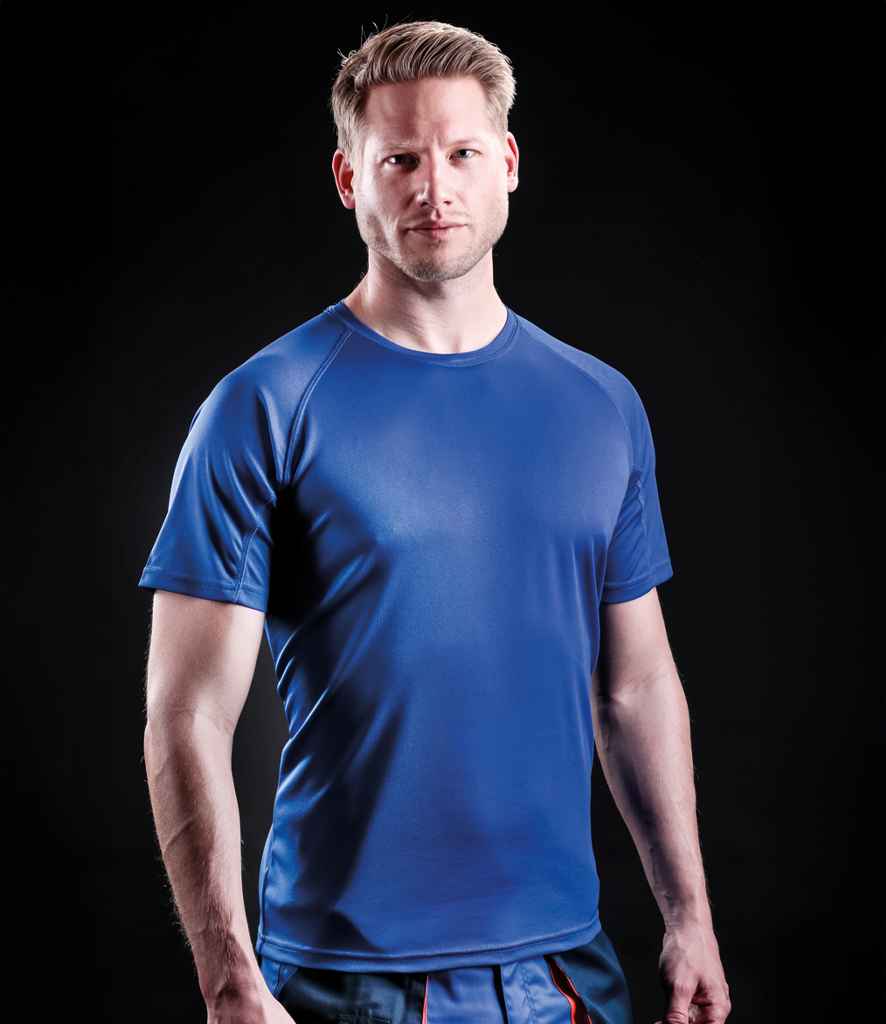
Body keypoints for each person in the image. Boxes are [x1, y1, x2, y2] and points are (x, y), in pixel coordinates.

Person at [138, 19, 731, 1024]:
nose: (433, 188)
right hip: (344, 977)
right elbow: (186, 713)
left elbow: (635, 687)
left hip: (566, 971)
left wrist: (690, 916)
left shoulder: (599, 404)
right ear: (348, 179)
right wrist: (228, 977)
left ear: (508, 163)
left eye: (460, 154)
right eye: (400, 160)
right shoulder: (263, 406)